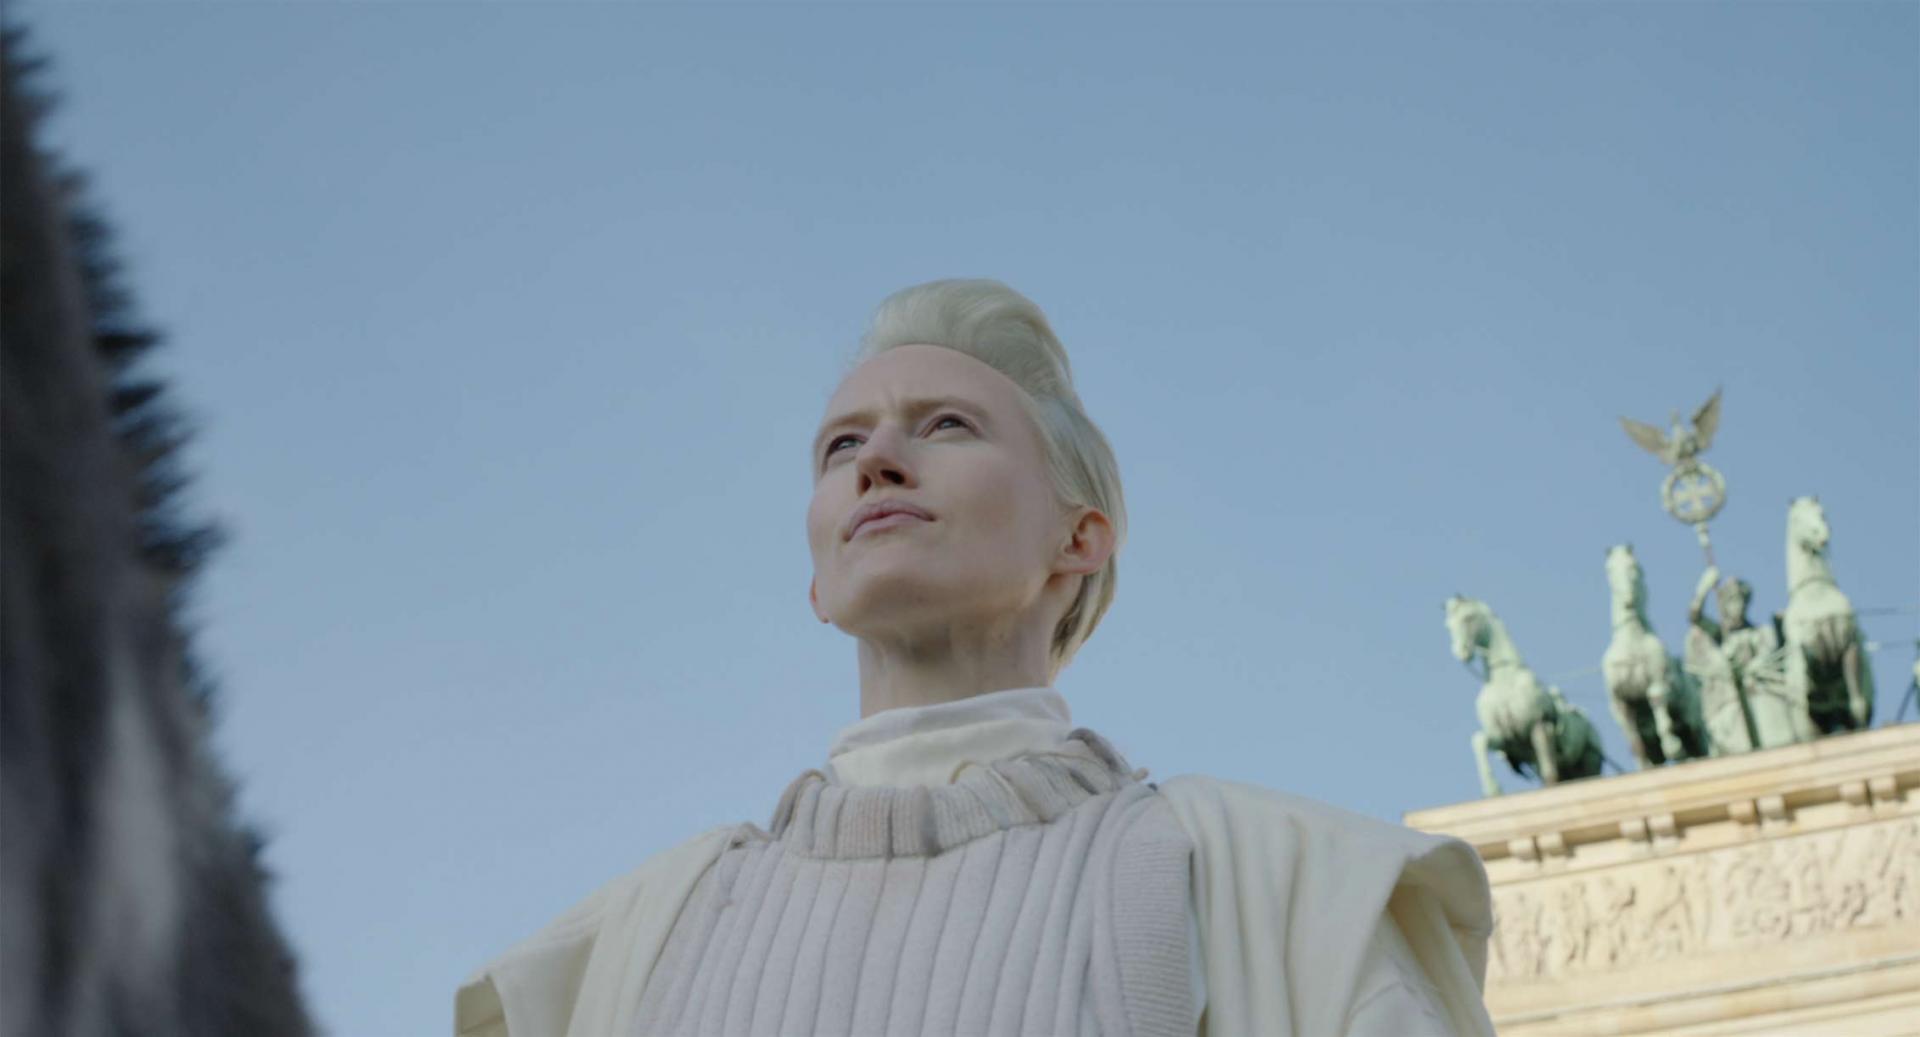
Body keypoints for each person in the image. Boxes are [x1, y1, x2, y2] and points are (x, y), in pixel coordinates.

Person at [454, 280, 1495, 1037]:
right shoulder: (609, 955)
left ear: (1080, 538)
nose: (878, 461)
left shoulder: (1286, 887)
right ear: (819, 581)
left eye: (946, 424)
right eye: (840, 447)